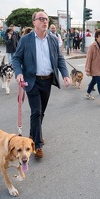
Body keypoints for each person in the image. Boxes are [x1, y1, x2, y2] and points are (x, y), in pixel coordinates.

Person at [12, 11, 71, 159]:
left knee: (41, 112)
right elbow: (16, 58)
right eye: (41, 19)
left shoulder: (52, 39)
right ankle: (37, 145)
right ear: (34, 22)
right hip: (32, 81)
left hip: (47, 80)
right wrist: (18, 73)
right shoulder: (26, 40)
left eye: (46, 19)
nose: (45, 21)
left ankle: (33, 134)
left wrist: (65, 75)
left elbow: (60, 59)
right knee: (36, 112)